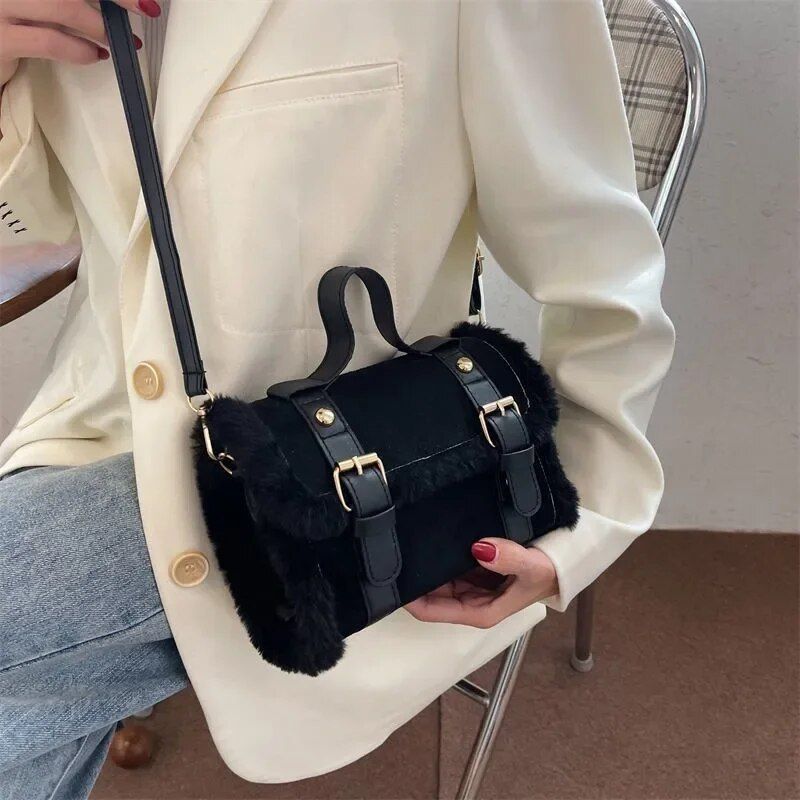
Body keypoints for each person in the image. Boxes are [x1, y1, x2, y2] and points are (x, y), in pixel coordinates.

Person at [0, 0, 675, 797]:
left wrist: (573, 518)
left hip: (338, 478)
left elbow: (599, 266)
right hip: (86, 433)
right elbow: (37, 229)